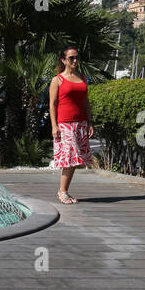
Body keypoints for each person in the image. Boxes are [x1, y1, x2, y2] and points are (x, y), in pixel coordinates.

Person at [49, 46, 93, 204]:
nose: (75, 60)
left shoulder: (82, 77)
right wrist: (54, 126)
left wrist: (89, 122)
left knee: (76, 160)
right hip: (65, 124)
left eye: (76, 57)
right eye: (71, 58)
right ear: (63, 60)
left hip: (80, 124)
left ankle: (63, 191)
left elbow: (86, 102)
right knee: (70, 159)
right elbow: (52, 105)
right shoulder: (57, 80)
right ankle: (62, 192)